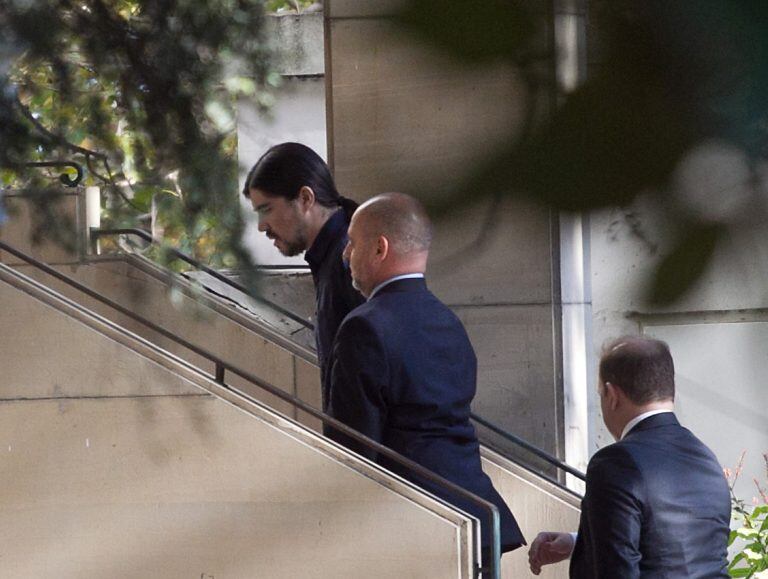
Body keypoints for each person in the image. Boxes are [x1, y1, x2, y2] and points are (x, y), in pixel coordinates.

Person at [327, 192, 525, 563]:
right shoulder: (448, 322)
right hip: (475, 515)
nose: (344, 254)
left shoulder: (364, 328)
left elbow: (353, 445)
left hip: (413, 524)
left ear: (379, 249)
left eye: (352, 242)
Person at [528, 336, 730, 578]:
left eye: (600, 393)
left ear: (612, 395)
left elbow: (617, 569)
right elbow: (673, 545)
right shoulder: (705, 458)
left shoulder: (614, 463)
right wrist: (578, 542)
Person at [242, 143, 364, 409]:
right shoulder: (333, 255)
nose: (262, 226)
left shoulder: (350, 257)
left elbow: (373, 372)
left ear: (306, 199)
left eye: (267, 209)